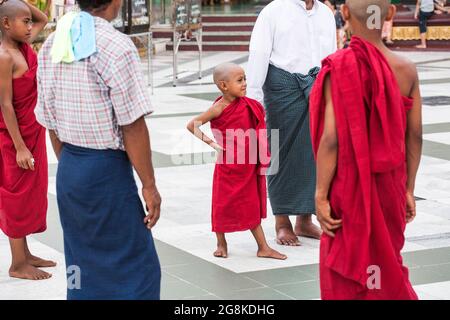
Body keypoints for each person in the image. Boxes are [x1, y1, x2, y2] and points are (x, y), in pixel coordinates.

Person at [35, 0, 161, 300]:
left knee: (82, 262)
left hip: (70, 169)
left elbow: (50, 123)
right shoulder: (117, 46)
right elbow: (132, 125)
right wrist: (149, 186)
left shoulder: (54, 42)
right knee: (139, 267)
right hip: (107, 172)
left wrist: (72, 165)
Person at [309, 0, 422, 299]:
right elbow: (415, 136)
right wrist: (408, 188)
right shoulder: (406, 69)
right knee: (386, 263)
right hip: (390, 185)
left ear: (344, 13)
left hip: (348, 188)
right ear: (391, 14)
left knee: (350, 267)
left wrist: (320, 194)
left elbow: (330, 139)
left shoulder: (339, 66)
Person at [247, 0, 337, 246]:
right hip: (282, 87)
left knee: (313, 152)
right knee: (280, 152)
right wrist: (253, 102)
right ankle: (282, 221)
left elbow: (331, 54)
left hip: (317, 85)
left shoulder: (326, 13)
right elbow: (259, 54)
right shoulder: (273, 11)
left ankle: (304, 219)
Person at [187, 63, 287, 261]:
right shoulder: (218, 108)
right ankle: (221, 243)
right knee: (222, 204)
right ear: (224, 86)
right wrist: (213, 144)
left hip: (248, 163)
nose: (245, 84)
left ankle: (263, 247)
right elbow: (192, 125)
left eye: (245, 79)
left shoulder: (250, 105)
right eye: (239, 80)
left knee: (250, 204)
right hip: (229, 165)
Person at [0, 0, 54, 281]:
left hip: (33, 132)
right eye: (24, 21)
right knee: (16, 196)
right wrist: (19, 146)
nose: (31, 25)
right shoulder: (5, 55)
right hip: (14, 139)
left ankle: (26, 254)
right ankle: (17, 263)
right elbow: (5, 105)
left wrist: (16, 2)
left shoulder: (24, 44)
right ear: (6, 24)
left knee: (33, 192)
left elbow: (42, 17)